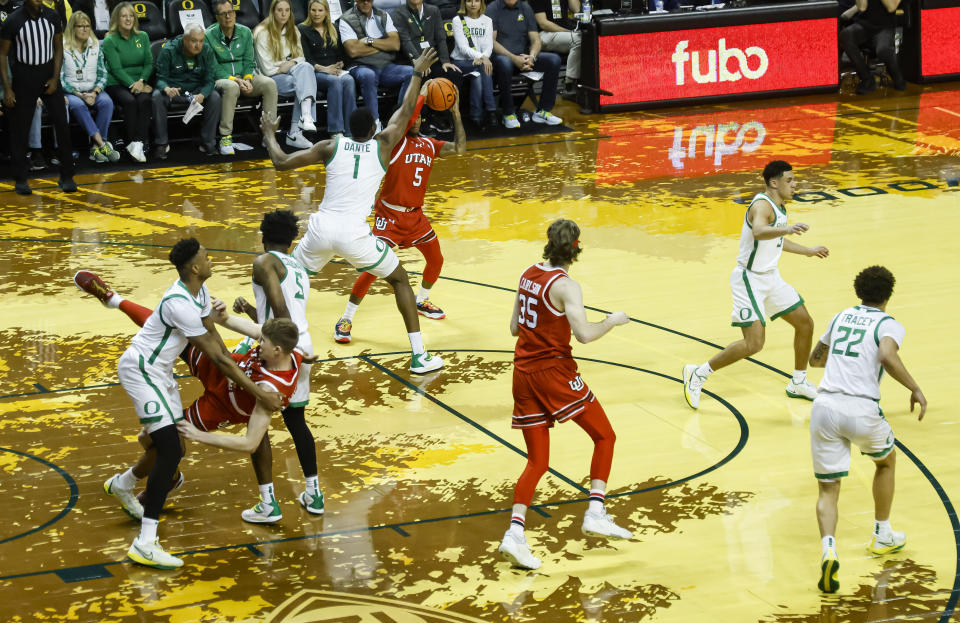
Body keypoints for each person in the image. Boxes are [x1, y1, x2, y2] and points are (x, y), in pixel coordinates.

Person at [74, 239, 284, 570]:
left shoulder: (199, 291)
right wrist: (257, 393)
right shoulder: (178, 302)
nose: (210, 256)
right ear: (194, 267)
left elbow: (214, 337)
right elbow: (215, 355)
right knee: (171, 449)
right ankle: (145, 543)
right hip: (142, 369)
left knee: (173, 447)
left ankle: (123, 484)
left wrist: (230, 363)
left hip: (162, 374)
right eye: (205, 255)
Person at [261, 48, 444, 375]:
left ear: (347, 128)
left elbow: (281, 162)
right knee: (400, 280)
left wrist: (268, 133)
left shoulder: (330, 146)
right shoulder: (383, 146)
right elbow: (404, 112)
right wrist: (416, 73)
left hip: (321, 230)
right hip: (354, 235)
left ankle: (259, 343)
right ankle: (419, 357)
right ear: (372, 128)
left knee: (290, 280)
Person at [74, 275, 305, 519]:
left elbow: (250, 443)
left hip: (223, 405)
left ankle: (157, 477)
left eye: (263, 342)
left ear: (277, 351)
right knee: (173, 331)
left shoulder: (271, 392)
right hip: (224, 367)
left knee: (158, 437)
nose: (259, 342)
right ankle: (115, 300)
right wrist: (223, 316)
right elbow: (251, 328)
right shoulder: (287, 348)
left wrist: (199, 436)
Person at [498, 218, 632, 571]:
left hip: (522, 373)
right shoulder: (566, 286)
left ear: (547, 244)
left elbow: (514, 327)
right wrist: (612, 321)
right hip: (553, 374)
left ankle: (514, 534)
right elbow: (585, 336)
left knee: (537, 462)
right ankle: (596, 511)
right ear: (576, 247)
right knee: (605, 436)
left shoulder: (527, 274)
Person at [806, 265, 926, 593]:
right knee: (885, 462)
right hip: (860, 408)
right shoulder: (889, 324)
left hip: (825, 407)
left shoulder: (840, 316)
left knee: (828, 489)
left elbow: (817, 360)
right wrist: (914, 387)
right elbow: (887, 355)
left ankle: (829, 549)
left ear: (858, 291)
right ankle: (881, 533)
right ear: (888, 295)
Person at [682, 160, 830, 410]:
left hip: (770, 277)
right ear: (774, 182)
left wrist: (808, 251)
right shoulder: (762, 205)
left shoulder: (780, 207)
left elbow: (776, 242)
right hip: (749, 279)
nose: (795, 185)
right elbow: (761, 232)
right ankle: (698, 373)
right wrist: (788, 229)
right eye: (790, 180)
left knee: (805, 324)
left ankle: (798, 382)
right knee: (754, 344)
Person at [335, 81, 465, 342]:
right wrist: (424, 91)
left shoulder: (429, 144)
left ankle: (423, 300)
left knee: (436, 260)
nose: (416, 122)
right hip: (390, 217)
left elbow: (460, 148)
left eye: (419, 119)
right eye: (412, 118)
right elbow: (408, 115)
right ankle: (346, 317)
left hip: (415, 217)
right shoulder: (391, 144)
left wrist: (456, 114)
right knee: (373, 267)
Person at [231, 209, 325, 521]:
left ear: (262, 235)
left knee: (257, 423)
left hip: (281, 349)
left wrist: (287, 348)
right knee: (296, 422)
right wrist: (250, 310)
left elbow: (281, 313)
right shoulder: (297, 267)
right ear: (292, 239)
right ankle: (314, 493)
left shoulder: (264, 262)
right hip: (301, 343)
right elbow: (281, 315)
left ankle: (268, 503)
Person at [0, 0, 76, 195]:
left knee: (62, 122)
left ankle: (67, 176)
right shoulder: (12, 20)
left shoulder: (53, 16)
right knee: (20, 128)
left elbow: (58, 48)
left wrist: (55, 78)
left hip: (48, 74)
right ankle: (21, 178)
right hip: (24, 76)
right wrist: (7, 88)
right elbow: (2, 55)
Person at [206, 0, 278, 155]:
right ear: (216, 17)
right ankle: (225, 137)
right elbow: (214, 68)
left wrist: (247, 78)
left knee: (269, 84)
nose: (228, 17)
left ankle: (268, 134)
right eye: (223, 14)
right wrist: (236, 80)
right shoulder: (208, 35)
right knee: (231, 87)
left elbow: (249, 61)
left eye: (231, 12)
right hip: (222, 79)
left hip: (244, 78)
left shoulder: (245, 32)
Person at [486, 0, 562, 129]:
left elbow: (536, 39)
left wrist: (532, 57)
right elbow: (491, 42)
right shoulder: (493, 8)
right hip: (502, 57)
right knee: (504, 63)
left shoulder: (525, 8)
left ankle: (542, 111)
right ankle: (508, 113)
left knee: (554, 60)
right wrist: (513, 58)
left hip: (525, 58)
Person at [254, 0, 318, 150]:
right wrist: (290, 64)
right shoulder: (262, 32)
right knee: (305, 82)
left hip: (290, 72)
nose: (284, 14)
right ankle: (296, 130)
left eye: (287, 10)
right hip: (269, 78)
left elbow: (302, 58)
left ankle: (304, 119)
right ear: (272, 12)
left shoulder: (293, 30)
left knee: (306, 69)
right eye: (279, 10)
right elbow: (268, 69)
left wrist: (290, 63)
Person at [339, 0, 412, 130]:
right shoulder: (346, 19)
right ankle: (374, 123)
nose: (366, 3)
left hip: (384, 66)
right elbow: (353, 51)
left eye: (369, 0)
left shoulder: (383, 15)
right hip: (360, 65)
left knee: (411, 72)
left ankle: (399, 119)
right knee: (368, 75)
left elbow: (395, 44)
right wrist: (383, 45)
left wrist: (369, 40)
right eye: (362, 0)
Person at [152, 24, 221, 159]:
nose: (198, 45)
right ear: (184, 39)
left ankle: (208, 142)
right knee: (156, 96)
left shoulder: (206, 51)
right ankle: (161, 144)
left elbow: (210, 80)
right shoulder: (168, 50)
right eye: (194, 41)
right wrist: (166, 88)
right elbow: (160, 79)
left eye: (201, 41)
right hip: (174, 91)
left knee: (215, 97)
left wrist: (202, 94)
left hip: (195, 92)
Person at [392, 0, 461, 133]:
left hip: (433, 57)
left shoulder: (433, 10)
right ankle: (422, 120)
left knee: (453, 74)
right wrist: (419, 61)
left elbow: (441, 38)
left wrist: (445, 60)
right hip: (412, 59)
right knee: (421, 77)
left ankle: (441, 115)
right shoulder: (398, 13)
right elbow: (405, 41)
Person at [60, 10, 119, 163]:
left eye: (88, 26)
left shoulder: (95, 46)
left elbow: (103, 73)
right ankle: (102, 143)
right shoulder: (63, 47)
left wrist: (94, 92)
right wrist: (80, 95)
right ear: (73, 28)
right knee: (79, 105)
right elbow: (60, 78)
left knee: (107, 102)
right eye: (81, 26)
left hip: (93, 90)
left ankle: (95, 148)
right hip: (72, 92)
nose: (85, 29)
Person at [101, 1, 151, 163]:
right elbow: (116, 69)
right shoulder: (110, 41)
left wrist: (141, 81)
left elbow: (149, 63)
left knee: (144, 99)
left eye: (131, 16)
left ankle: (137, 144)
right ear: (116, 19)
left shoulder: (142, 36)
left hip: (139, 81)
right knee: (130, 101)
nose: (128, 19)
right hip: (116, 83)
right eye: (124, 16)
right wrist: (133, 84)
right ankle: (133, 143)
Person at [298, 0, 355, 137]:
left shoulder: (334, 28)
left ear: (326, 12)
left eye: (320, 10)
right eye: (313, 10)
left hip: (334, 70)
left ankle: (351, 130)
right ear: (309, 11)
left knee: (349, 81)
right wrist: (324, 69)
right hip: (315, 72)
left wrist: (340, 64)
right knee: (334, 82)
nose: (316, 14)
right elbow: (305, 58)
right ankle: (335, 130)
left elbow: (342, 54)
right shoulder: (302, 29)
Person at [840, 0, 905, 95]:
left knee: (883, 50)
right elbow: (862, 7)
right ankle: (867, 79)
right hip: (865, 23)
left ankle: (897, 77)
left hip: (885, 25)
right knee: (846, 35)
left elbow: (891, 7)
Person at [451, 0, 496, 129]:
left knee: (478, 77)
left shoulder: (487, 20)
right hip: (460, 62)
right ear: (464, 3)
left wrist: (483, 57)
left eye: (476, 0)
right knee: (483, 67)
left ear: (481, 3)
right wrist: (480, 57)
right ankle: (491, 110)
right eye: (469, 1)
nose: (472, 4)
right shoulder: (458, 20)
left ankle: (476, 116)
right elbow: (462, 47)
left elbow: (489, 46)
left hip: (479, 62)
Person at [530, 0, 579, 96]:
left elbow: (577, 10)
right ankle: (569, 84)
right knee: (579, 40)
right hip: (543, 34)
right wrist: (567, 32)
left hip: (564, 33)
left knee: (589, 37)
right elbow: (543, 23)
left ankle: (582, 82)